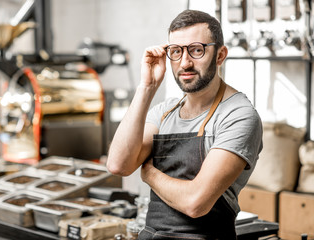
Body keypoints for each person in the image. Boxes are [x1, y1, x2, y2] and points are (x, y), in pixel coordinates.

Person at [106, 9, 263, 239]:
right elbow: (119, 164)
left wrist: (149, 173)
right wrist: (147, 88)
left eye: (196, 50)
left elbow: (195, 203)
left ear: (220, 55)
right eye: (176, 51)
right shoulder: (165, 111)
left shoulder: (238, 115)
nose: (185, 63)